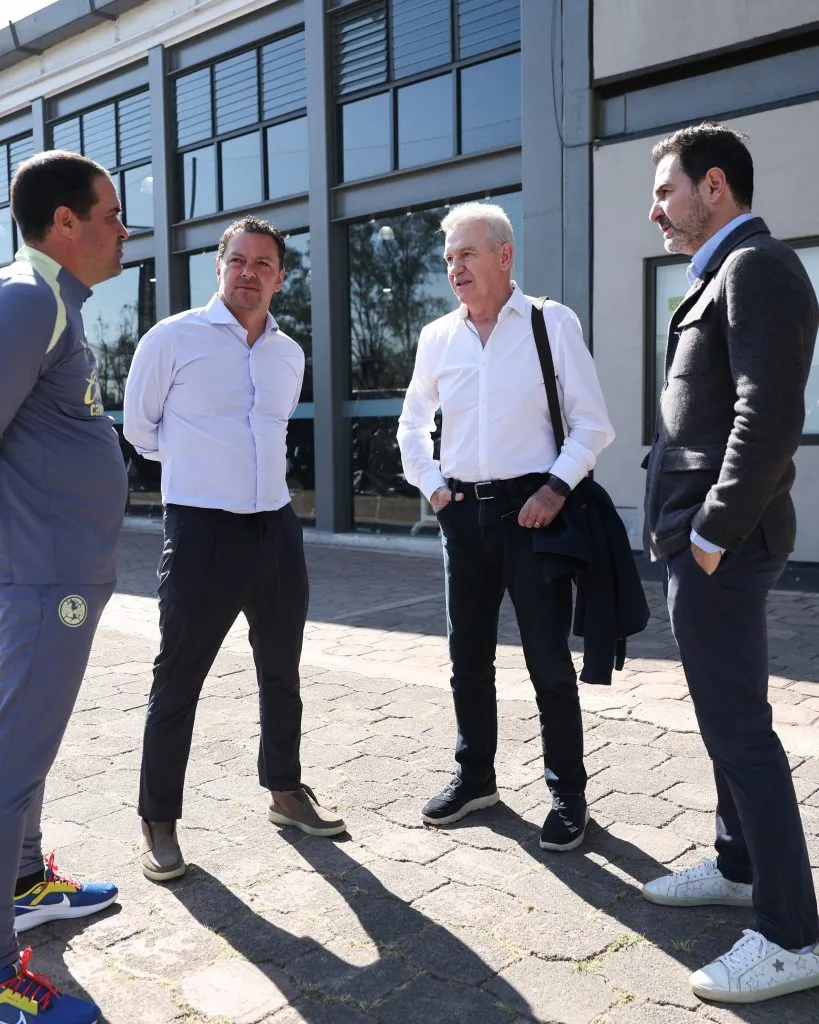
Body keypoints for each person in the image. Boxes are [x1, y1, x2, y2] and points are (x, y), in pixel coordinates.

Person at [642, 122, 819, 1003]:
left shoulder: (756, 267)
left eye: (666, 191)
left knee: (741, 732)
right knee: (723, 721)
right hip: (699, 543)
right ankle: (739, 863)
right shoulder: (719, 272)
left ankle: (790, 934)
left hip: (721, 546)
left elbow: (769, 414)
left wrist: (710, 532)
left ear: (714, 186)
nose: (655, 210)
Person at [123, 216, 344, 884]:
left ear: (280, 276)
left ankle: (284, 791)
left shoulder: (288, 353)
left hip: (276, 531)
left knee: (282, 671)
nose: (249, 274)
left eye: (264, 265)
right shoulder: (172, 339)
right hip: (201, 534)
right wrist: (200, 472)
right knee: (178, 678)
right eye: (238, 261)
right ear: (219, 267)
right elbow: (141, 429)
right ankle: (158, 821)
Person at [397, 202, 614, 850]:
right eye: (447, 259)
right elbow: (411, 424)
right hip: (461, 517)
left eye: (466, 254)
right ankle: (475, 779)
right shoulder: (437, 337)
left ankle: (567, 796)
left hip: (533, 514)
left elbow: (591, 423)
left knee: (548, 663)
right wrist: (433, 489)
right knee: (467, 660)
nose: (454, 268)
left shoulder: (550, 323)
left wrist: (554, 488)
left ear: (502, 255)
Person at [0, 151, 129, 1024]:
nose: (124, 229)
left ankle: (26, 882)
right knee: (7, 763)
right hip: (41, 582)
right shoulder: (26, 298)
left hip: (59, 579)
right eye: (112, 213)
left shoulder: (58, 306)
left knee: (28, 754)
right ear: (64, 223)